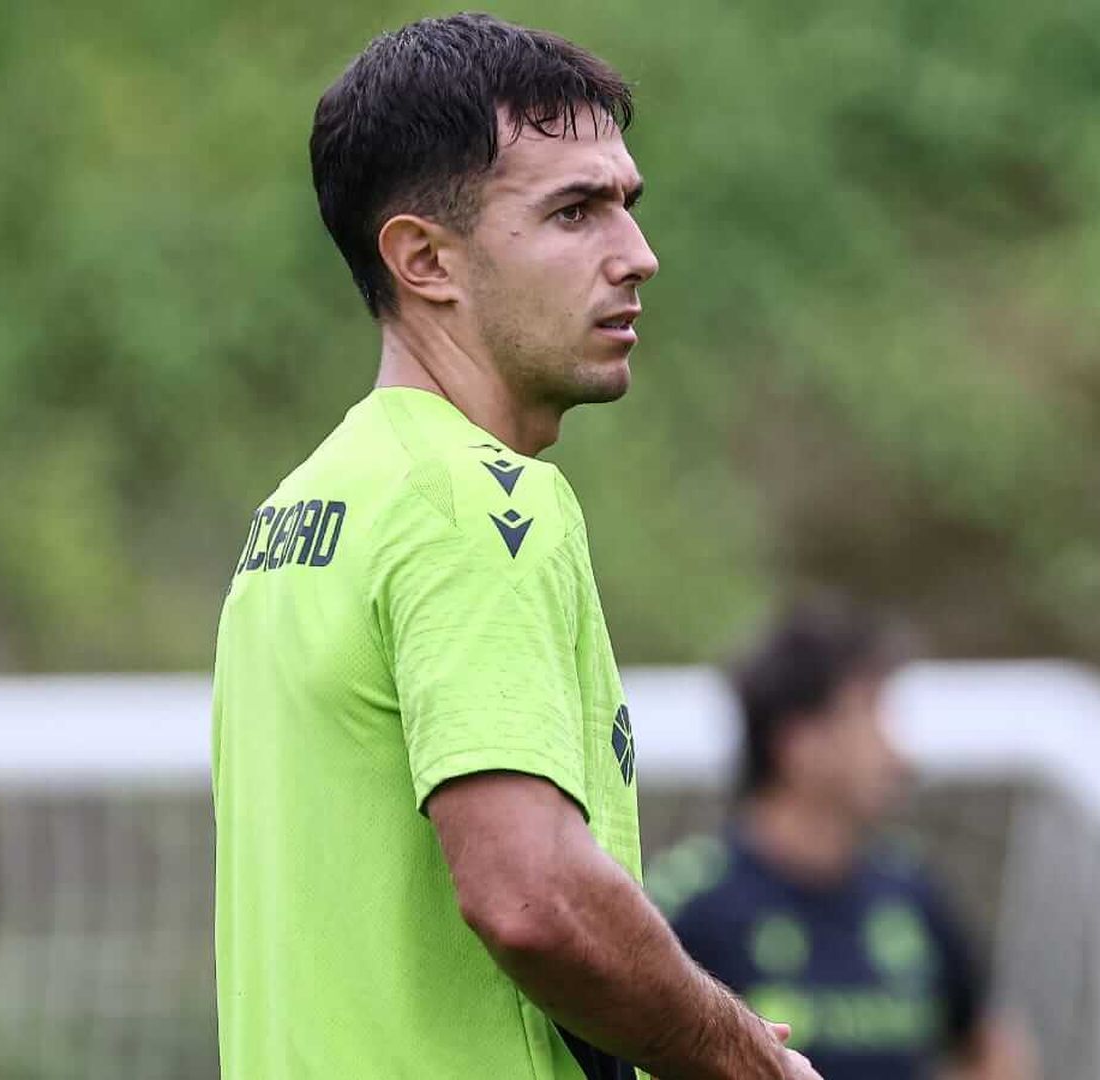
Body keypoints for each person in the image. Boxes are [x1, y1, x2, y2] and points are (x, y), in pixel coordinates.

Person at [211, 15, 818, 1080]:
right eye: (575, 211)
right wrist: (738, 1059)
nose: (638, 256)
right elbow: (532, 898)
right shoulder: (479, 502)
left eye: (626, 205)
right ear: (424, 260)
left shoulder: (304, 510)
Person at [648, 601, 1038, 1080]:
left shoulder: (912, 893)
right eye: (870, 714)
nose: (898, 755)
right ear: (799, 741)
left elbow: (991, 1046)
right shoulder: (689, 904)